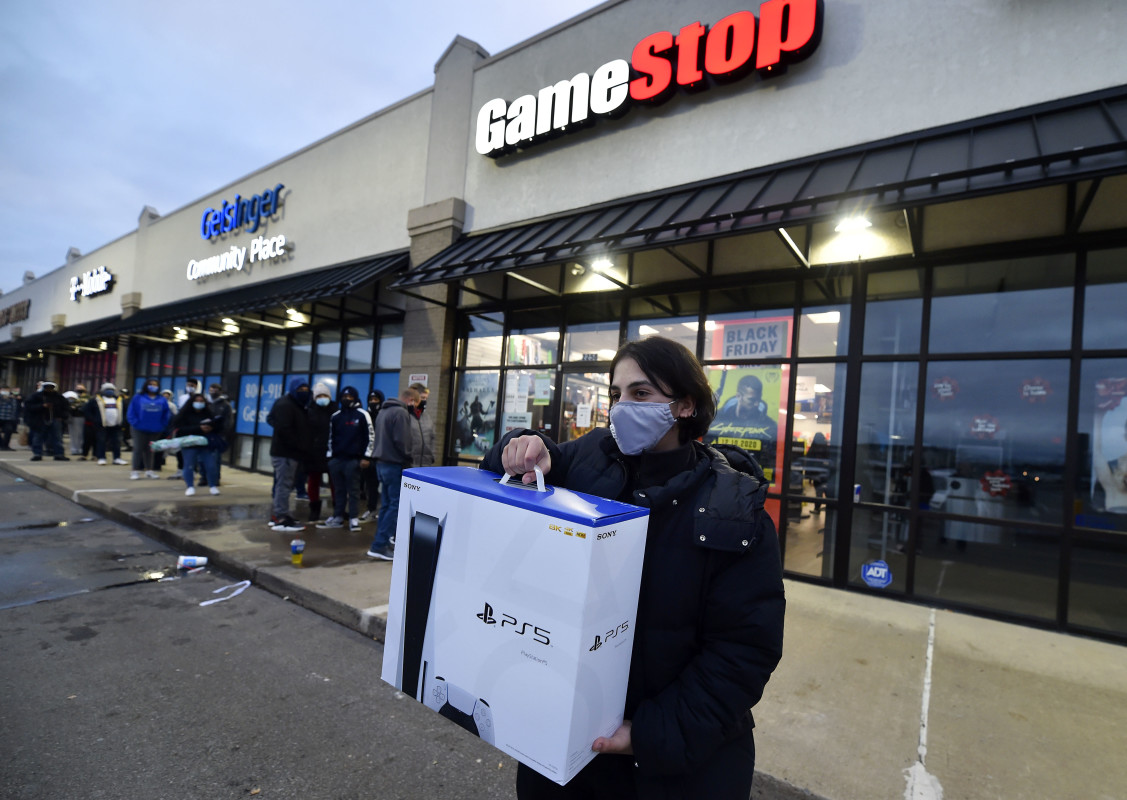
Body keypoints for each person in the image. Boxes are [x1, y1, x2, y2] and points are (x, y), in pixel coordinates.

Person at [483, 336, 785, 800]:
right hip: (563, 744)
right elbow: (517, 469)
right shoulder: (589, 458)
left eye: (641, 394)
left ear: (685, 405)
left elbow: (743, 651)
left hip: (678, 766)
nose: (622, 407)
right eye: (616, 394)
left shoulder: (735, 511)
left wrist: (649, 733)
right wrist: (517, 447)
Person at [366, 385, 420, 560]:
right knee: (395, 506)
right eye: (416, 403)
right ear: (410, 400)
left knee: (386, 505)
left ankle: (381, 541)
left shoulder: (384, 411)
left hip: (381, 464)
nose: (416, 407)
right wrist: (409, 458)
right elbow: (402, 442)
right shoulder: (400, 413)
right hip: (394, 464)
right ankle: (379, 545)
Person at [319, 385, 375, 532]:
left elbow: (370, 437)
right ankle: (338, 516)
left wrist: (366, 457)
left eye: (350, 397)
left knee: (354, 491)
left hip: (354, 460)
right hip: (337, 460)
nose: (347, 399)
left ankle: (353, 518)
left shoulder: (362, 415)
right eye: (344, 397)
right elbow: (331, 438)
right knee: (339, 490)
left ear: (355, 398)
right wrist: (330, 457)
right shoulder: (336, 416)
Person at [267, 378, 312, 532]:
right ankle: (281, 517)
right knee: (284, 485)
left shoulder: (297, 404)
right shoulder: (286, 405)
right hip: (285, 453)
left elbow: (271, 419)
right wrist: (300, 445)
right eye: (301, 389)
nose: (304, 392)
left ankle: (281, 513)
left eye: (306, 389)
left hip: (290, 453)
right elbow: (284, 429)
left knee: (285, 484)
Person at [710, 373, 779, 474]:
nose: (756, 404)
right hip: (720, 473)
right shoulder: (717, 419)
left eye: (758, 400)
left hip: (753, 475)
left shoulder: (769, 425)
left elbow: (771, 459)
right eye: (752, 400)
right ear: (738, 396)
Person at [170, 392, 224, 496]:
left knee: (211, 466)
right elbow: (179, 429)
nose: (199, 403)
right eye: (197, 401)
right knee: (189, 465)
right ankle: (190, 486)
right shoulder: (184, 414)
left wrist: (211, 427)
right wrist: (199, 428)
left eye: (201, 401)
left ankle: (212, 486)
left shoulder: (208, 413)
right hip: (189, 443)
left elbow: (218, 427)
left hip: (206, 444)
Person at [304, 383, 338, 522]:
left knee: (335, 482)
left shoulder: (336, 410)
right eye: (319, 396)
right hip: (314, 452)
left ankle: (338, 509)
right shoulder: (309, 411)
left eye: (324, 395)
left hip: (332, 451)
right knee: (313, 481)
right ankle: (314, 509)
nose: (322, 398)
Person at [126, 378, 173, 479]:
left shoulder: (162, 399)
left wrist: (163, 425)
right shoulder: (138, 397)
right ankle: (135, 471)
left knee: (150, 450)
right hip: (139, 428)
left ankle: (149, 470)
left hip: (156, 429)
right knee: (138, 449)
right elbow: (131, 412)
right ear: (146, 385)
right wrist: (135, 423)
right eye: (151, 384)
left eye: (155, 384)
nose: (153, 386)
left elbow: (166, 413)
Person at [24, 380, 70, 461]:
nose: (49, 389)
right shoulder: (36, 396)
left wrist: (62, 417)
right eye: (47, 388)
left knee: (57, 438)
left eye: (51, 388)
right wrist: (42, 406)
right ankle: (37, 454)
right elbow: (29, 407)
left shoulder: (59, 397)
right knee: (38, 437)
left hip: (55, 419)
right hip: (40, 420)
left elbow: (66, 408)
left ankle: (59, 454)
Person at [85, 383, 127, 465]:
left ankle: (117, 458)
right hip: (102, 426)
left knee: (116, 442)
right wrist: (95, 420)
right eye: (107, 389)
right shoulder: (96, 400)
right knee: (101, 442)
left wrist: (123, 421)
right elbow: (87, 411)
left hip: (116, 425)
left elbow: (125, 411)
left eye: (111, 390)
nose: (110, 391)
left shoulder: (119, 400)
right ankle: (101, 458)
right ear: (103, 391)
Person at [359, 389, 384, 521]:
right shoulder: (365, 416)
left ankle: (381, 510)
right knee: (370, 485)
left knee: (383, 486)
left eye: (376, 400)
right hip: (368, 457)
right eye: (371, 400)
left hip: (382, 457)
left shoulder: (384, 416)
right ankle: (371, 508)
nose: (373, 402)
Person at [206, 383, 235, 484]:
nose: (213, 392)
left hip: (218, 434)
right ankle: (204, 477)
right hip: (205, 433)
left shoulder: (225, 405)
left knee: (215, 458)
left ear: (220, 391)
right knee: (203, 457)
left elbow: (228, 421)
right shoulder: (206, 403)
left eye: (215, 390)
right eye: (211, 390)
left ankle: (215, 479)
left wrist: (223, 432)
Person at [408, 381, 436, 467]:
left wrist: (432, 456)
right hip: (410, 463)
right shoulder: (404, 415)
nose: (424, 401)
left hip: (425, 463)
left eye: (426, 398)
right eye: (422, 398)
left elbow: (432, 438)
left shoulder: (426, 417)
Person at [66, 385, 89, 456]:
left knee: (82, 434)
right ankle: (74, 449)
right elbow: (68, 405)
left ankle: (81, 449)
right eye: (78, 388)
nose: (79, 389)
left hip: (84, 417)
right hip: (74, 417)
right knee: (74, 434)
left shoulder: (88, 397)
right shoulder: (72, 396)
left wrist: (77, 406)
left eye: (81, 388)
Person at [0, 385, 18, 450]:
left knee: (9, 431)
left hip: (8, 418)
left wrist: (13, 418)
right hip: (0, 417)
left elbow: (14, 408)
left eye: (7, 390)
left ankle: (5, 445)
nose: (6, 391)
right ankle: (1, 444)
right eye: (4, 390)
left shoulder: (12, 398)